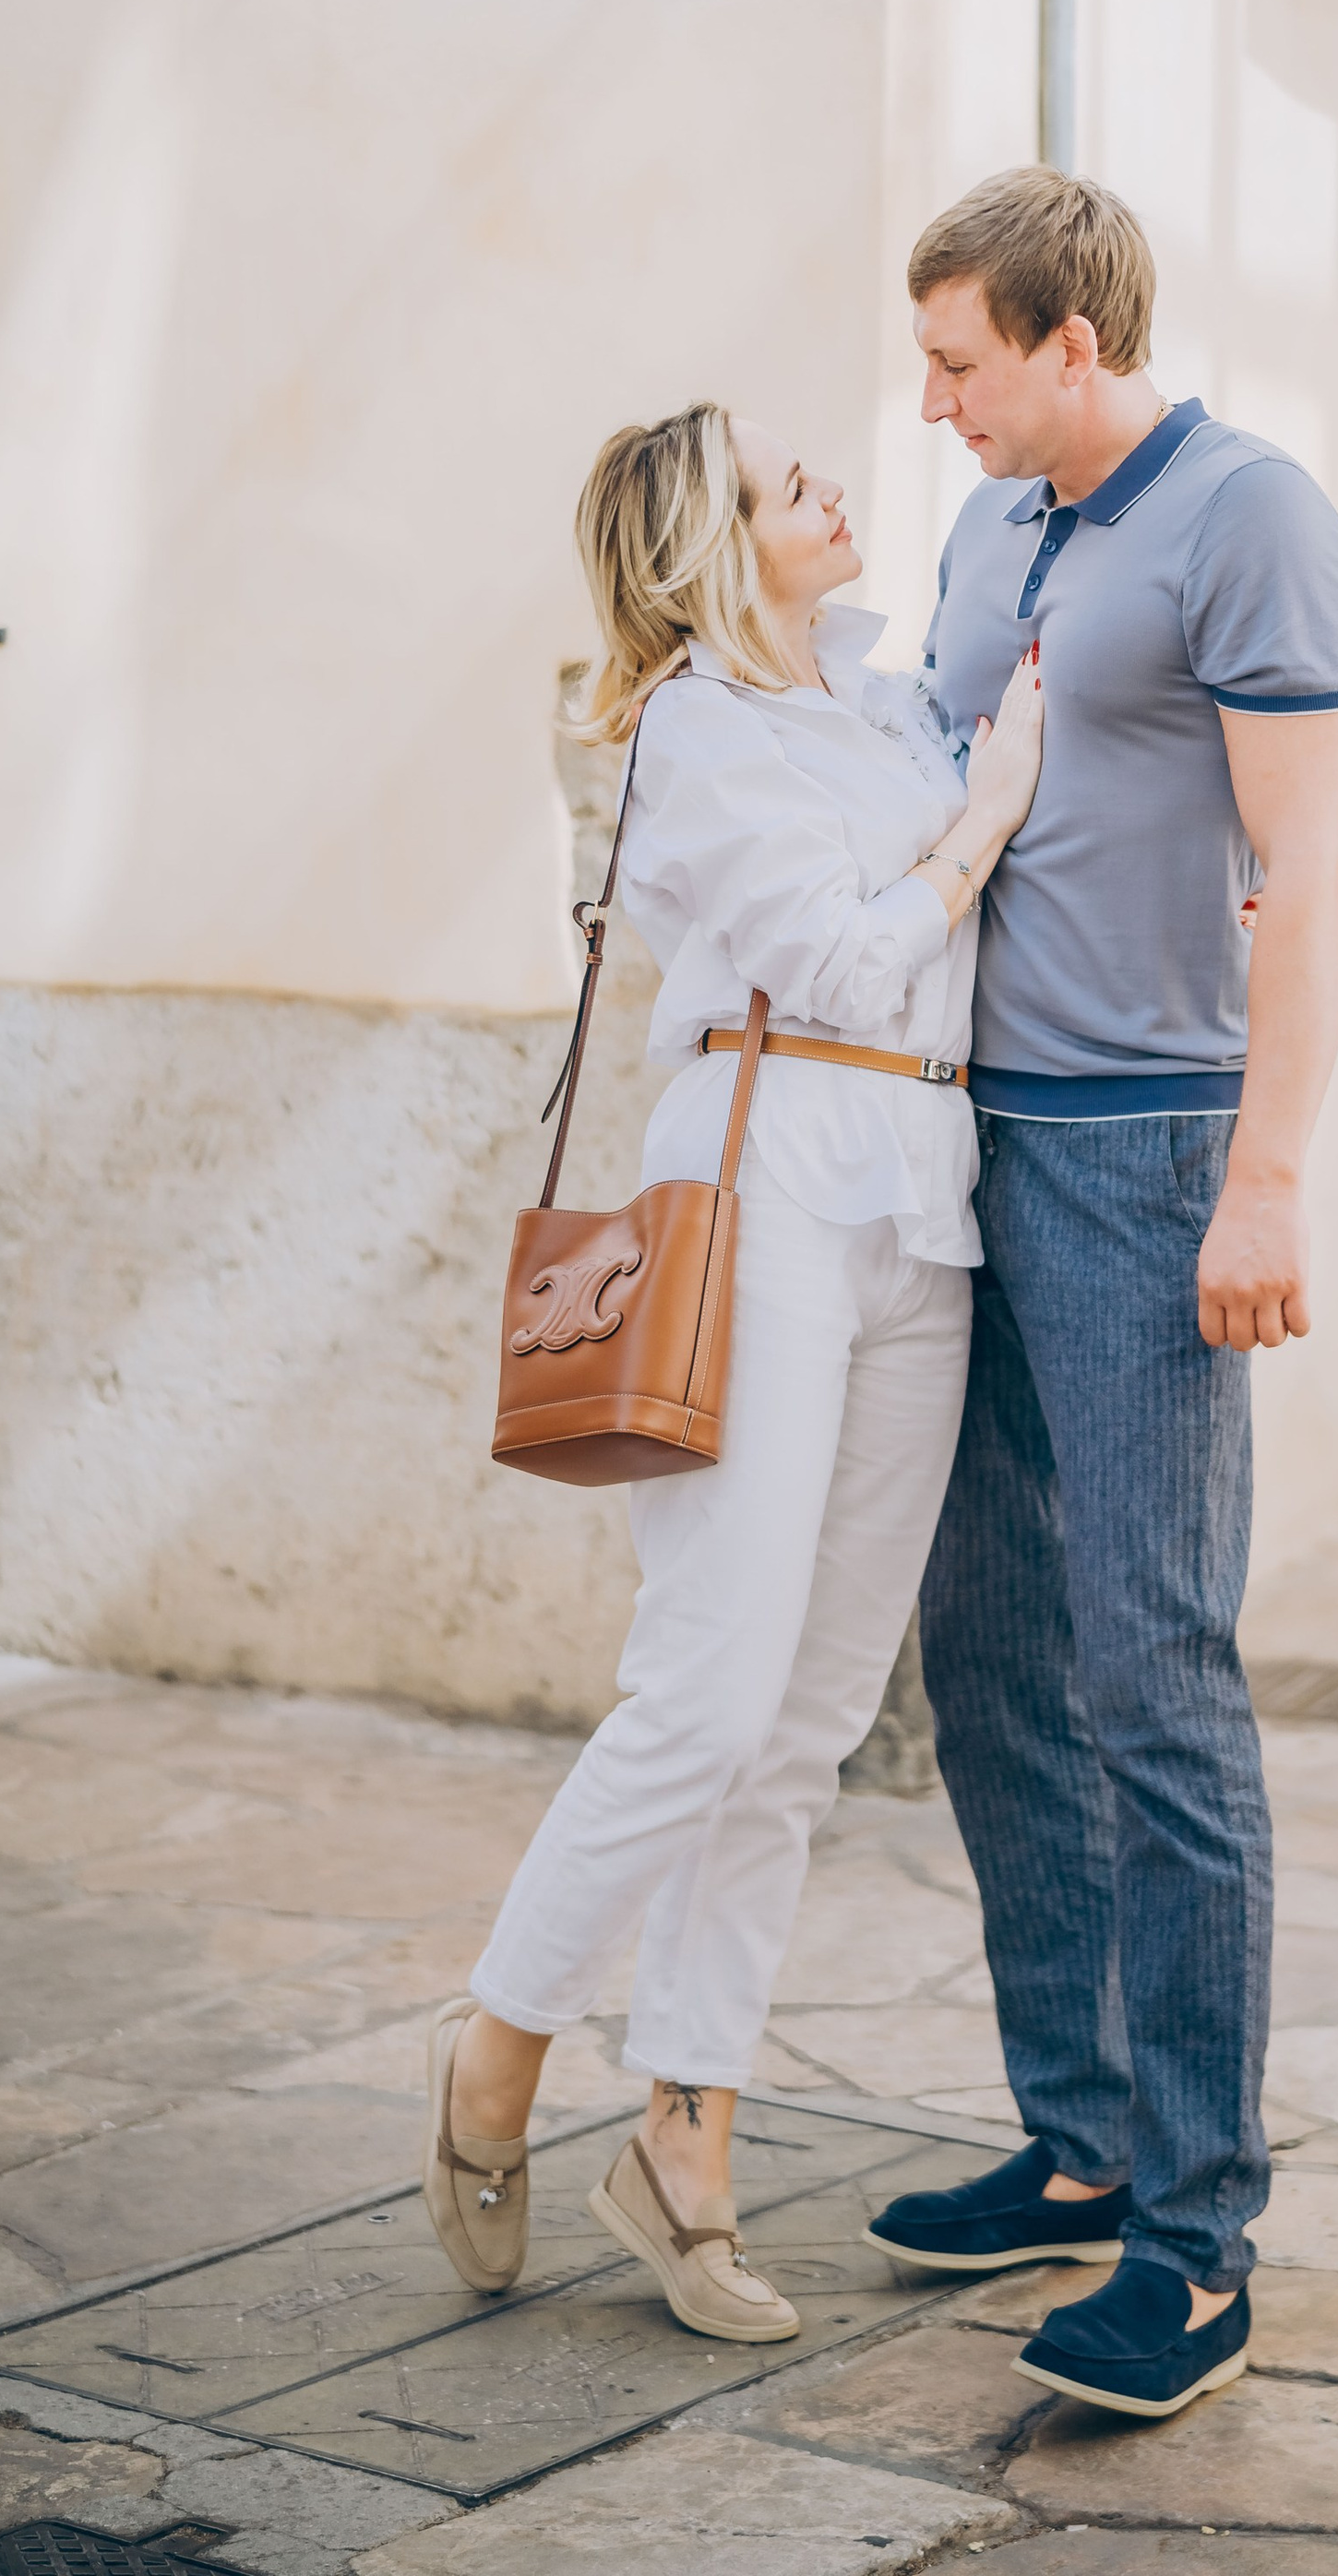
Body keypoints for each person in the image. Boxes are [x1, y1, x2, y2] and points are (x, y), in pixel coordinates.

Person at [424, 402, 1042, 2343]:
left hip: (919, 1206)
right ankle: (498, 2049)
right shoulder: (695, 731)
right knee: (700, 1692)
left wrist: (977, 786)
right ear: (713, 550)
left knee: (813, 1715)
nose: (833, 488)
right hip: (762, 1191)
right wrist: (988, 816)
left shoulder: (883, 703)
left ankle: (686, 2140)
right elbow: (848, 965)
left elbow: (923, 958)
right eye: (790, 486)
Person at [863, 171, 1338, 2422]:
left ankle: (1195, 2233)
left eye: (962, 361)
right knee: (982, 1651)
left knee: (1150, 1675)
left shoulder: (1249, 518)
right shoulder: (989, 534)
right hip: (963, 1139)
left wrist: (1265, 1182)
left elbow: (1317, 867)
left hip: (1153, 1151)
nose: (934, 399)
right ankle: (1076, 2141)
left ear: (1076, 342)